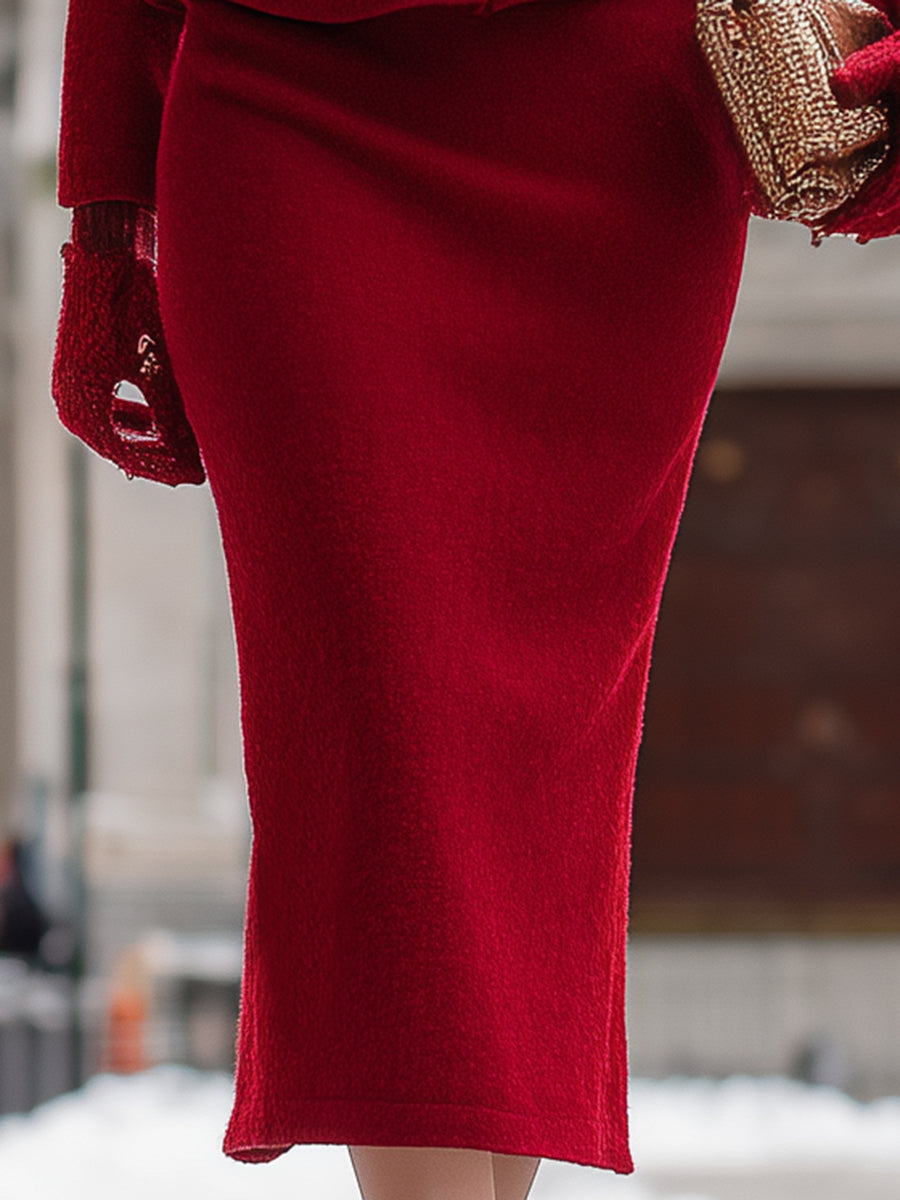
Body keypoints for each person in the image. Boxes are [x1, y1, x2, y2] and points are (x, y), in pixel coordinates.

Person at [50, 1, 900, 1197]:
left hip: (616, 144)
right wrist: (106, 223)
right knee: (390, 760)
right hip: (292, 104)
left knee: (521, 790)